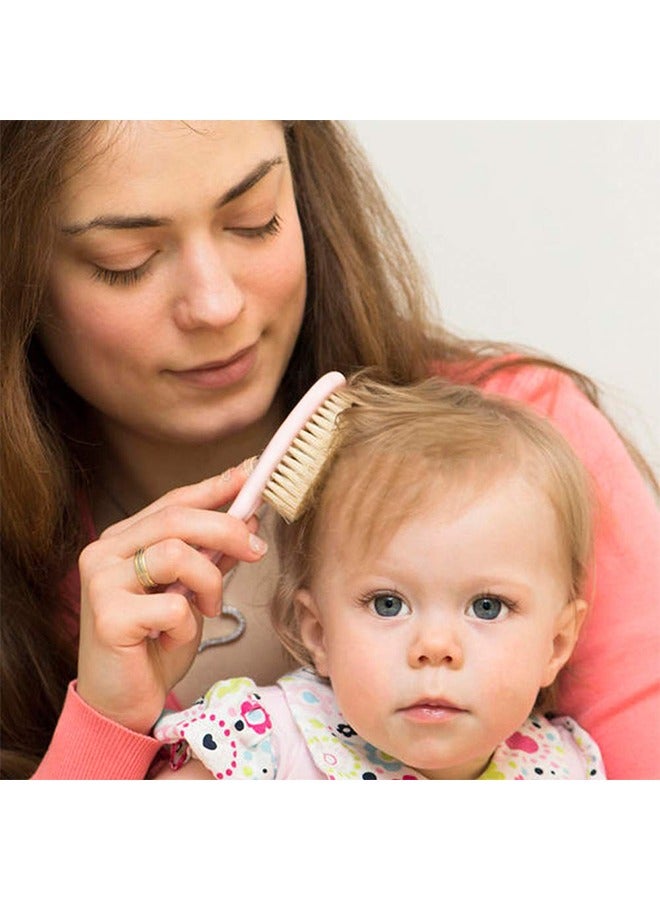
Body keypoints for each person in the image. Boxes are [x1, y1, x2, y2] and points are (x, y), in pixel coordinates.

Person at [0, 121, 657, 780]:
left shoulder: (528, 448)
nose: (217, 304)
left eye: (254, 221)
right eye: (128, 260)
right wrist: (103, 729)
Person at [152, 376, 605, 780]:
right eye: (388, 603)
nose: (434, 648)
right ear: (320, 632)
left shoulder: (566, 767)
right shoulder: (263, 744)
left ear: (557, 644)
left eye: (487, 606)